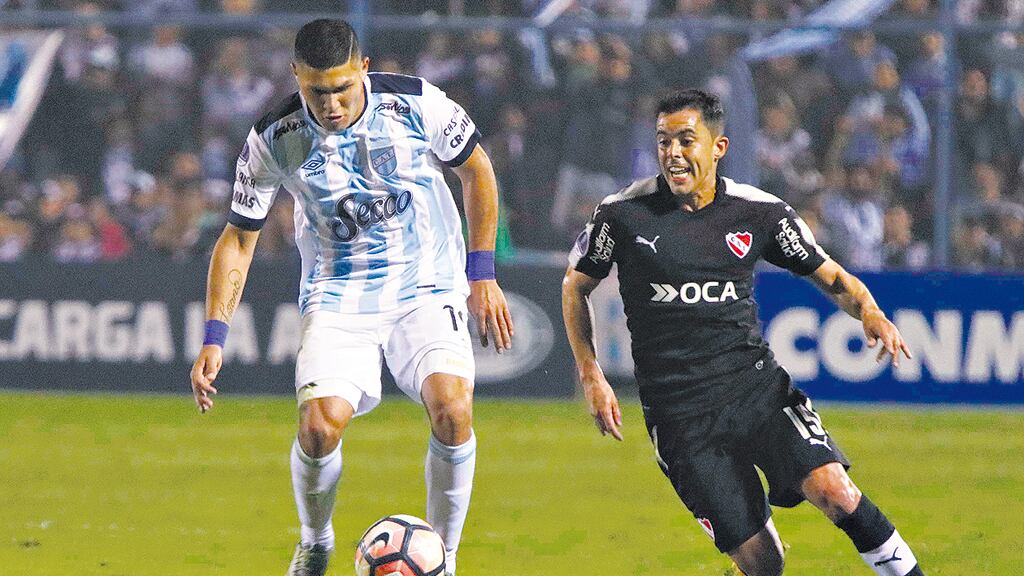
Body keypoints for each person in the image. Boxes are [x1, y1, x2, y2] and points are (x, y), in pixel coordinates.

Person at [189, 18, 514, 576]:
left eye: (343, 87)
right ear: (296, 77)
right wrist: (214, 336)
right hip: (338, 293)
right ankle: (315, 542)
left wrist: (481, 273)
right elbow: (240, 236)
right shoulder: (273, 138)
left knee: (454, 411)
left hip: (426, 280)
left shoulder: (417, 103)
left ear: (363, 69)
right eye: (318, 91)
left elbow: (477, 172)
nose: (332, 104)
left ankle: (445, 558)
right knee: (318, 427)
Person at [561, 89, 924, 576]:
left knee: (836, 490)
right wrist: (591, 374)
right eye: (663, 141)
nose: (672, 153)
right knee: (764, 564)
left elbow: (830, 276)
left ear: (718, 147)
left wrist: (870, 310)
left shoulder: (759, 213)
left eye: (686, 140)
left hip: (756, 391)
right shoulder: (622, 214)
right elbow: (575, 286)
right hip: (680, 416)